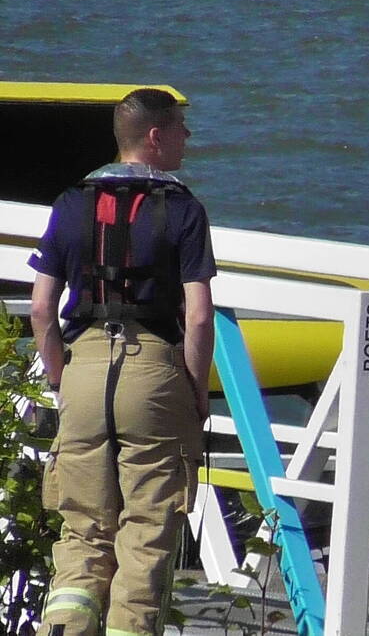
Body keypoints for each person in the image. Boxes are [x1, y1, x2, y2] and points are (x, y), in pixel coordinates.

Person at [30, 88, 216, 636]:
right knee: (146, 531)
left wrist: (61, 374)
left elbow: (42, 306)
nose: (187, 137)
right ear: (155, 136)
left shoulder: (70, 202)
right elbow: (200, 317)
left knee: (83, 529)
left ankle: (64, 627)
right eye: (181, 127)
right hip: (154, 371)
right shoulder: (183, 208)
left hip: (84, 368)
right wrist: (198, 389)